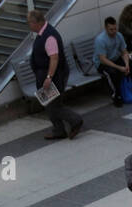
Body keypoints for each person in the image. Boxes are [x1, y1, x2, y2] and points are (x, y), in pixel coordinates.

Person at [27, 9, 84, 141]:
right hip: (45, 75)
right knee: (48, 103)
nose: (29, 25)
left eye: (29, 22)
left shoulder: (49, 36)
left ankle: (75, 120)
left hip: (54, 76)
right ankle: (58, 130)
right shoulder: (42, 34)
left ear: (37, 22)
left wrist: (48, 78)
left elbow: (54, 58)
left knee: (54, 105)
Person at [94, 15, 132, 107]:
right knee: (113, 73)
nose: (113, 31)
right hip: (103, 63)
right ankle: (117, 96)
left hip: (116, 59)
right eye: (111, 29)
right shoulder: (100, 40)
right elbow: (103, 59)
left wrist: (127, 64)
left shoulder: (119, 36)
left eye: (115, 29)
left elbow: (124, 52)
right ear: (106, 28)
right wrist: (119, 67)